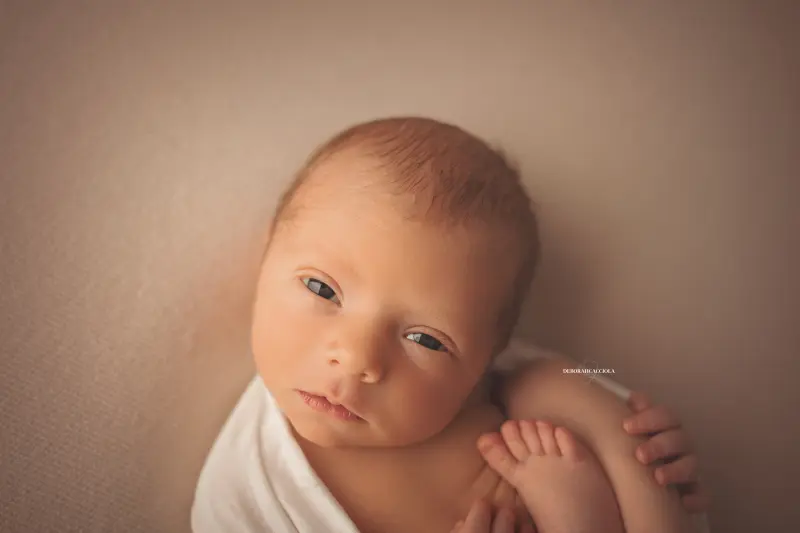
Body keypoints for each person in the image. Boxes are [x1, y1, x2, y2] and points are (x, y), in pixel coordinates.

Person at [191, 117, 708, 533]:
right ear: (267, 256)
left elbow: (596, 382)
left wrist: (651, 445)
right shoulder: (245, 491)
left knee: (560, 386)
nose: (356, 357)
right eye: (322, 289)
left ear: (486, 356)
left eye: (424, 339)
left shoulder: (514, 386)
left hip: (576, 482)